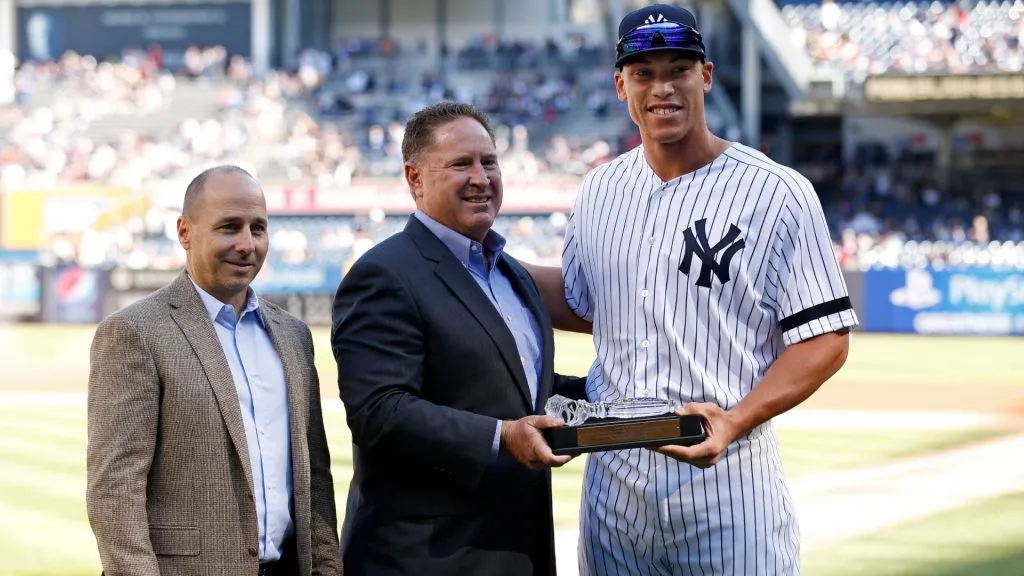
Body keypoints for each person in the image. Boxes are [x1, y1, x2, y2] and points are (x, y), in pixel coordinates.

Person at [527, 4, 858, 574]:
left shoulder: (778, 192)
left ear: (705, 75)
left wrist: (738, 418)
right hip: (614, 481)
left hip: (727, 479)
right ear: (620, 85)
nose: (663, 88)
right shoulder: (600, 189)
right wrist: (482, 261)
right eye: (644, 73)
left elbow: (825, 340)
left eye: (679, 69)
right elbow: (588, 306)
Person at [330, 101, 588, 576]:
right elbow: (380, 412)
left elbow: (524, 390)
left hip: (517, 553)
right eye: (460, 164)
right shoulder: (383, 274)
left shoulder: (510, 273)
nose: (480, 177)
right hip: (423, 560)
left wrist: (616, 395)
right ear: (415, 178)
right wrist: (502, 436)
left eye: (489, 161)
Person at [86, 165, 343, 576]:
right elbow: (114, 492)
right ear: (185, 232)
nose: (247, 244)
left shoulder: (294, 336)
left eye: (258, 229)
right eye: (229, 227)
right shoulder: (133, 333)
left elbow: (314, 478)